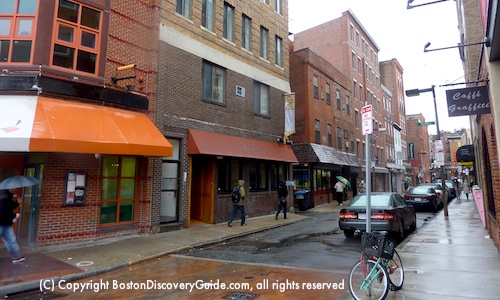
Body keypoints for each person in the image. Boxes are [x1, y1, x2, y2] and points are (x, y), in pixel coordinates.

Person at [0, 189, 25, 263]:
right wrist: (14, 215)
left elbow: (8, 207)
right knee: (11, 240)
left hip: (6, 223)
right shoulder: (3, 198)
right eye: (14, 188)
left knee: (11, 240)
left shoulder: (8, 197)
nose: (15, 189)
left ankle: (16, 257)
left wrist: (17, 202)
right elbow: (1, 211)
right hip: (1, 223)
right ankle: (16, 257)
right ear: (9, 188)